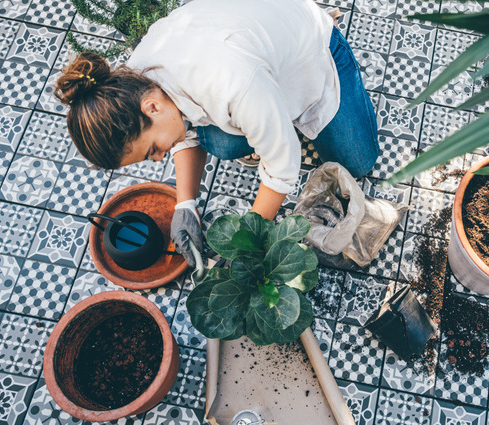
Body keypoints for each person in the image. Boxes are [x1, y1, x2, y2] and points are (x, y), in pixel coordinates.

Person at [55, 0, 379, 272]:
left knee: (357, 161)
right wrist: (186, 203)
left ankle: (330, 41)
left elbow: (283, 167)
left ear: (151, 107)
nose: (158, 158)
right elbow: (178, 127)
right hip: (255, 51)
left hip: (312, 47)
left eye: (151, 149)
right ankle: (266, 115)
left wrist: (246, 242)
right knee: (222, 141)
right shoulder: (137, 79)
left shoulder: (231, 82)